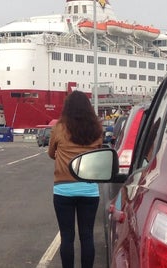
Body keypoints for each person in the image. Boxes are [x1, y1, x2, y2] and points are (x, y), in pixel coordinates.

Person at [47, 91, 103, 268]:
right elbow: (98, 154)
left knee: (67, 237)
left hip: (63, 189)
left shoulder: (59, 128)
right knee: (87, 236)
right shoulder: (96, 129)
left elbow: (51, 153)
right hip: (89, 189)